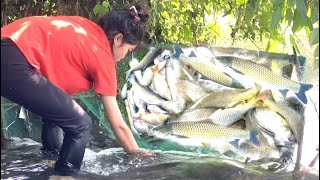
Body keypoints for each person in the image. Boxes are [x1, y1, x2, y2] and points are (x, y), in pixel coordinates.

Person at [1, 4, 153, 176]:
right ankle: (64, 176)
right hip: (13, 59)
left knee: (58, 117)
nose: (125, 55)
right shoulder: (102, 55)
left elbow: (56, 102)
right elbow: (118, 124)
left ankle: (50, 162)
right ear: (118, 39)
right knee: (81, 124)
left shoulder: (86, 27)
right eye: (128, 50)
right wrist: (136, 153)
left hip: (7, 46)